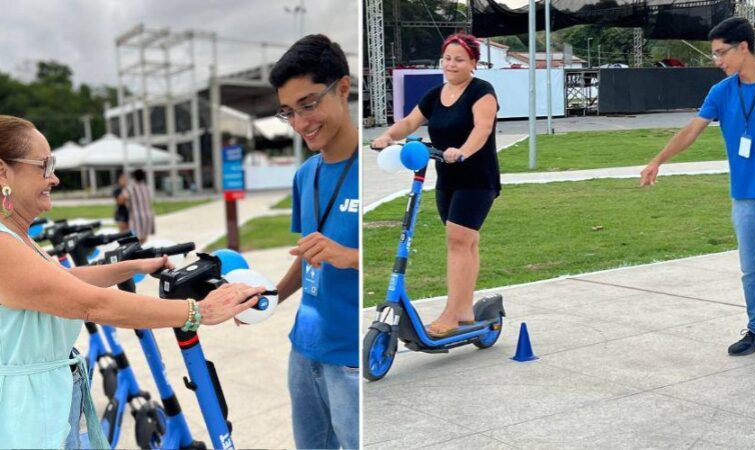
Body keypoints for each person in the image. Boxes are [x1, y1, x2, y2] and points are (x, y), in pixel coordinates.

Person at [0, 115, 264, 449]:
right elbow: (89, 303)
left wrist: (129, 266)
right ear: (2, 172)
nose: (53, 178)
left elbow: (61, 282)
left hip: (45, 401)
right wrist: (199, 311)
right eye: (44, 165)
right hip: (25, 418)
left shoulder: (15, 235)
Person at [640, 17, 755, 374]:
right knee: (750, 270)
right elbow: (691, 131)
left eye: (720, 52)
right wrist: (657, 160)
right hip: (744, 195)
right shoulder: (722, 92)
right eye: (714, 54)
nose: (716, 60)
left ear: (743, 47)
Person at [371, 32, 500, 337]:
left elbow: (482, 129)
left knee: (458, 240)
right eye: (447, 59)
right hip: (448, 178)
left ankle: (452, 314)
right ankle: (465, 309)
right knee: (465, 243)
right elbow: (409, 123)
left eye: (459, 59)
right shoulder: (434, 94)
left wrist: (462, 151)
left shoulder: (483, 92)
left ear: (473, 63)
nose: (451, 65)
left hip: (477, 177)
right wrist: (389, 136)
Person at [266, 35, 359, 449]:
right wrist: (268, 296)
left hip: (352, 358)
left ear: (343, 87)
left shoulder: (376, 170)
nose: (301, 123)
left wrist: (352, 256)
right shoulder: (305, 175)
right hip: (303, 353)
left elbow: (403, 263)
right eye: (289, 112)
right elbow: (309, 259)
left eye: (308, 104)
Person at [128, 168, 155, 243]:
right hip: (148, 215)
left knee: (136, 239)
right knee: (144, 238)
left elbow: (124, 198)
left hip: (136, 217)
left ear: (134, 177)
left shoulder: (131, 188)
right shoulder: (147, 187)